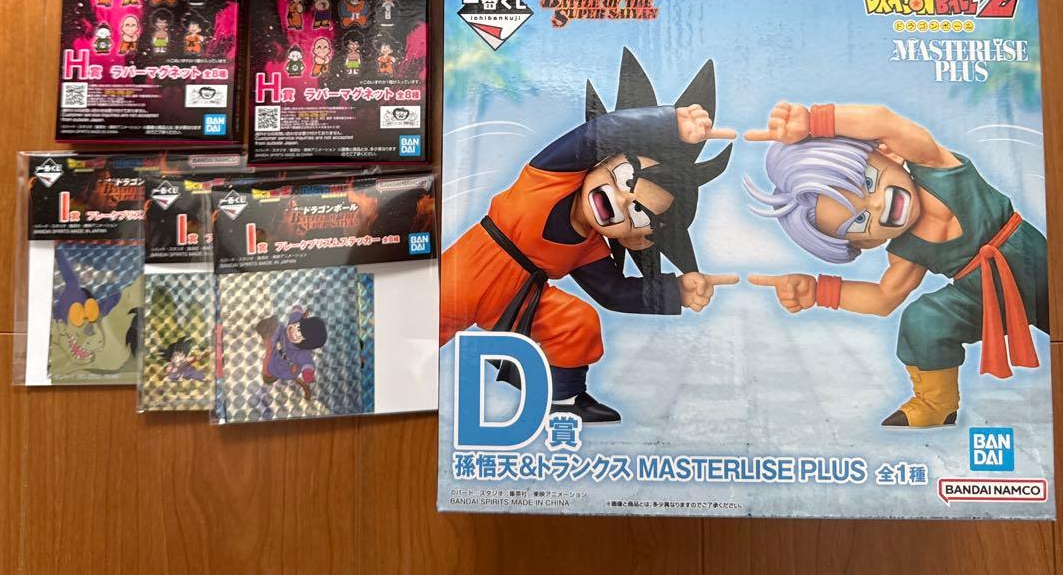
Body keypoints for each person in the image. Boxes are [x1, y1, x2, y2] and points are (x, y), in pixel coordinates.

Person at [439, 49, 735, 423]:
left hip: (519, 301)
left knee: (577, 321)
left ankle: (563, 400)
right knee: (420, 329)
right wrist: (668, 123)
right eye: (626, 178)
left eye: (638, 214)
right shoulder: (549, 176)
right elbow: (600, 132)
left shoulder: (589, 249)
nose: (623, 199)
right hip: (466, 273)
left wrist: (676, 291)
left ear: (636, 239)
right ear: (604, 160)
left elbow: (614, 292)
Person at [744, 101, 1048, 427]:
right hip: (984, 296)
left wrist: (814, 121)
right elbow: (883, 298)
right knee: (923, 319)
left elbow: (884, 121)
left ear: (888, 153)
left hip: (1036, 260)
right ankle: (937, 403)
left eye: (868, 182)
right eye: (860, 221)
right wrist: (820, 291)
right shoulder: (906, 251)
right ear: (866, 243)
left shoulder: (935, 165)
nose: (877, 205)